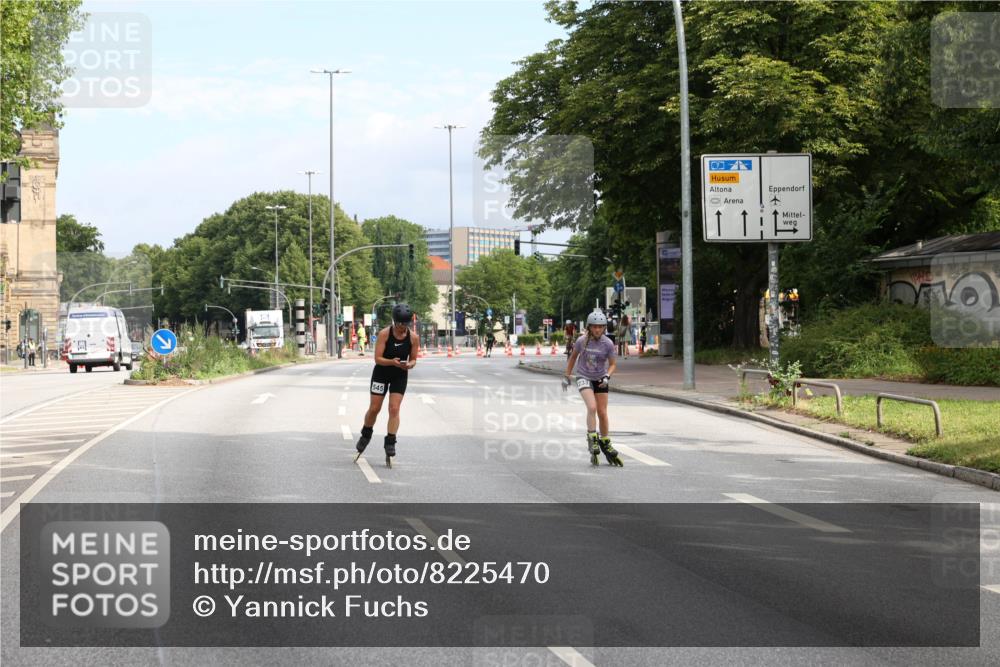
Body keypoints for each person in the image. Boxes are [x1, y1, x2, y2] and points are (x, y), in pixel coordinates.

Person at [354, 303, 419, 468]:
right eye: (400, 324)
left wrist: (409, 364)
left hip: (399, 374)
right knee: (375, 408)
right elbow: (377, 358)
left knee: (394, 409)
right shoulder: (384, 334)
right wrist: (392, 362)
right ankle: (366, 433)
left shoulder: (413, 338)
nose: (402, 328)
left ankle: (390, 442)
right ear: (394, 321)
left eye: (406, 325)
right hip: (382, 372)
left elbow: (413, 359)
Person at [563, 311, 622, 467]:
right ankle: (592, 438)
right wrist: (567, 376)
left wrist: (607, 376)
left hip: (601, 378)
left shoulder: (608, 343)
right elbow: (573, 358)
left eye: (601, 327)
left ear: (604, 328)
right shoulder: (582, 341)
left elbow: (613, 364)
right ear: (589, 327)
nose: (597, 330)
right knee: (592, 407)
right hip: (584, 377)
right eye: (595, 327)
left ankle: (605, 441)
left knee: (602, 412)